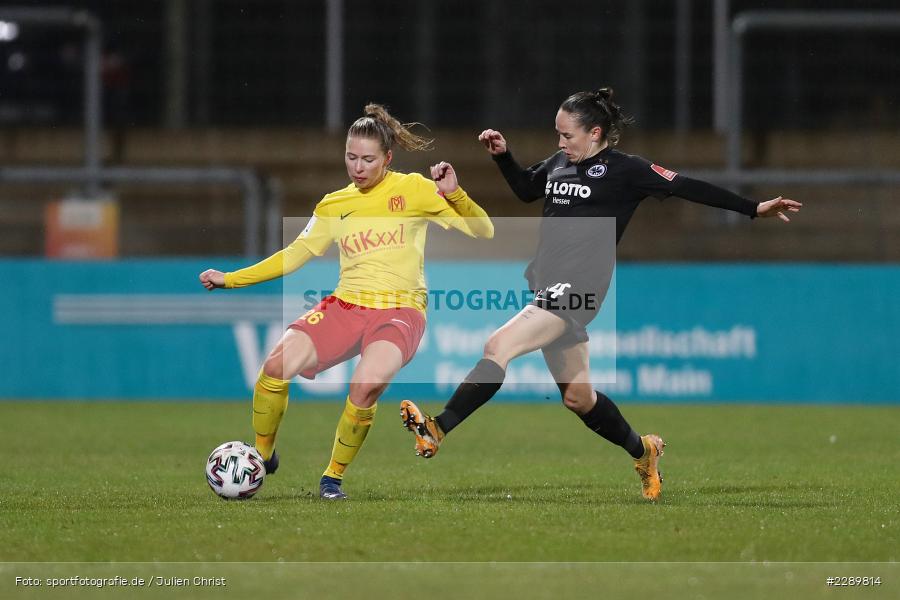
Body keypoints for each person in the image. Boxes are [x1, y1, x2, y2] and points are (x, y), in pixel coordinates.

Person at [400, 88, 801, 501]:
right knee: (579, 398)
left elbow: (688, 187)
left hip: (579, 290)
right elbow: (524, 189)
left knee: (497, 345)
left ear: (594, 133)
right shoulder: (560, 163)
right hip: (547, 284)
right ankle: (643, 451)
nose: (560, 143)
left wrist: (753, 208)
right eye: (557, 135)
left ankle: (438, 428)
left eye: (567, 135)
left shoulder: (627, 170)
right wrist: (503, 156)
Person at [199, 104, 494, 500]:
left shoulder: (414, 190)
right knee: (274, 367)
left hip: (400, 311)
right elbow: (295, 254)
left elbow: (484, 230)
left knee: (365, 386)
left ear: (388, 158)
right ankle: (263, 455)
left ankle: (332, 478)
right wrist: (232, 279)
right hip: (346, 305)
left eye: (368, 159)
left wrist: (454, 193)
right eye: (351, 157)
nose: (358, 166)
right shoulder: (334, 204)